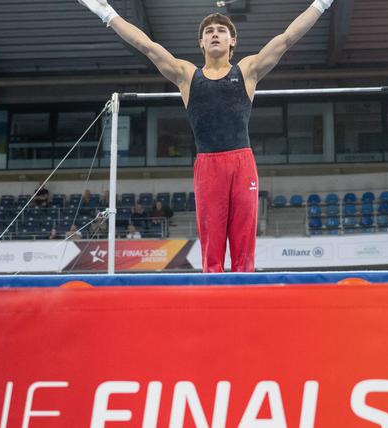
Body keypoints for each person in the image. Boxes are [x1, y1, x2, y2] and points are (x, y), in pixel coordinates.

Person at [77, 0, 334, 272]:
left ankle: (243, 302)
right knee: (211, 253)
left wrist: (321, 3)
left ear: (232, 40)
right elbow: (146, 46)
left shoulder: (247, 71)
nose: (214, 34)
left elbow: (287, 39)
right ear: (201, 42)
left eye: (221, 30)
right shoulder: (187, 75)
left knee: (244, 250)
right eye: (209, 31)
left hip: (242, 163)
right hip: (208, 166)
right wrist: (106, 12)